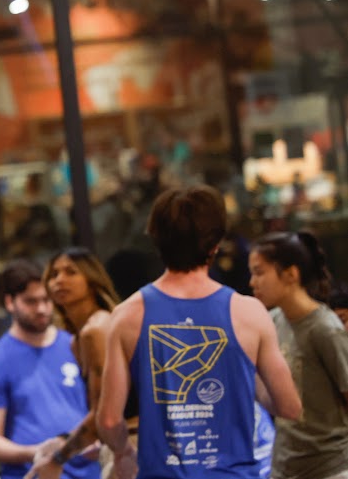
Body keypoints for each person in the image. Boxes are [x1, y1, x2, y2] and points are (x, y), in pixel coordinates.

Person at [96, 186, 302, 478]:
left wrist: (123, 453)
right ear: (215, 243)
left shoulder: (126, 315)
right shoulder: (249, 313)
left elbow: (107, 421)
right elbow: (289, 407)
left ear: (155, 238)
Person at [0, 260, 97, 479]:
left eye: (46, 300)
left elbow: (97, 406)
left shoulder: (75, 345)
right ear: (10, 302)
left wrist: (95, 439)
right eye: (30, 301)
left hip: (88, 472)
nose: (41, 309)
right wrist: (37, 452)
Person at [248, 231, 348, 479]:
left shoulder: (324, 328)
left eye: (259, 272)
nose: (252, 282)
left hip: (329, 468)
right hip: (285, 465)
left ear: (291, 274)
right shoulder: (271, 321)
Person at [29, 248, 123, 479]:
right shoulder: (77, 339)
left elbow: (102, 414)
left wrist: (59, 457)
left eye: (71, 272)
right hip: (117, 445)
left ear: (92, 280)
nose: (59, 280)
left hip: (132, 446)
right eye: (54, 274)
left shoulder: (96, 329)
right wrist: (64, 440)